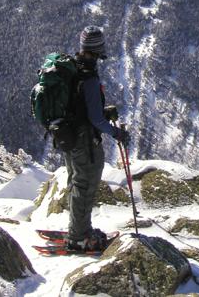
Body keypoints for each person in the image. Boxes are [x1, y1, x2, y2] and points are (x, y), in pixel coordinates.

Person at [64, 25, 130, 251]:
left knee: (76, 180)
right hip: (84, 141)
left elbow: (79, 106)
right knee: (86, 183)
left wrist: (102, 111)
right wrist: (117, 133)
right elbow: (95, 119)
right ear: (97, 48)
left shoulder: (72, 67)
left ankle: (79, 228)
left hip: (68, 136)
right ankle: (79, 237)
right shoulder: (89, 78)